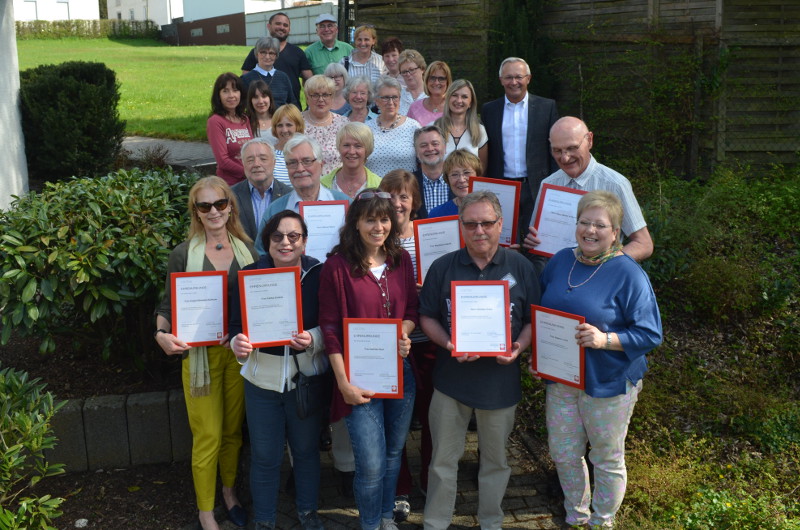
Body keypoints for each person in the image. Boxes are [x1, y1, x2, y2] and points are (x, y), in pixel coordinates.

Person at [537, 190, 662, 527]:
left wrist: (604, 339)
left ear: (615, 233)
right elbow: (544, 313)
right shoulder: (560, 261)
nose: (590, 230)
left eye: (600, 225)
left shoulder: (628, 273)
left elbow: (650, 334)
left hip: (607, 383)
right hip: (562, 380)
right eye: (584, 222)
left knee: (606, 458)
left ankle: (603, 521)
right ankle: (576, 517)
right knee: (564, 454)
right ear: (575, 225)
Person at [418, 190, 540, 530]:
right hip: (451, 382)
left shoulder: (521, 267)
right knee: (442, 461)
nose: (479, 231)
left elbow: (533, 319)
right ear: (461, 227)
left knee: (496, 461)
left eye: (487, 223)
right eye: (471, 224)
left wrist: (518, 347)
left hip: (500, 384)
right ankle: (436, 523)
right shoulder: (444, 267)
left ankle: (491, 522)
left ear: (500, 224)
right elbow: (426, 315)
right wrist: (449, 343)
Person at [154, 176, 258, 530]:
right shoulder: (183, 254)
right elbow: (167, 304)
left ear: (230, 206)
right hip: (199, 359)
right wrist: (161, 334)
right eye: (204, 206)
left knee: (232, 431)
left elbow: (260, 298)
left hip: (239, 355)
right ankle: (205, 511)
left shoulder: (249, 249)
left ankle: (229, 493)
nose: (213, 211)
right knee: (208, 435)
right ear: (195, 212)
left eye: (220, 204)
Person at [318, 188, 419, 530]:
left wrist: (403, 332)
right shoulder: (336, 267)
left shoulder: (401, 260)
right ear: (356, 223)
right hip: (357, 378)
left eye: (385, 218)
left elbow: (413, 311)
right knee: (371, 462)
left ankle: (387, 518)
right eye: (371, 219)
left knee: (393, 454)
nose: (379, 226)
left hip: (399, 373)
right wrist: (343, 383)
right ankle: (371, 523)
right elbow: (329, 330)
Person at [229, 210, 327, 530]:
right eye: (277, 236)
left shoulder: (318, 273)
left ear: (304, 242)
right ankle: (266, 520)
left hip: (305, 378)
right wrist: (237, 343)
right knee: (265, 456)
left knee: (306, 451)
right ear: (267, 241)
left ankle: (308, 513)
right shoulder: (250, 274)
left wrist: (313, 337)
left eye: (293, 236)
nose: (285, 242)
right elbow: (235, 326)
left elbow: (332, 323)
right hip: (262, 380)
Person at [378, 171, 434, 521]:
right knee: (393, 421)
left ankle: (429, 478)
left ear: (414, 201)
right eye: (391, 196)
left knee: (431, 416)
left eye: (404, 196)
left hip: (427, 341)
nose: (398, 203)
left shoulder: (432, 235)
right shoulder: (376, 238)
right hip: (388, 344)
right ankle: (400, 487)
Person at [523, 116, 654, 263]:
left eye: (572, 148)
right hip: (558, 272)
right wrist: (534, 241)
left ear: (589, 140)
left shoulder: (615, 184)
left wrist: (608, 264)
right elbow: (537, 238)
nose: (565, 158)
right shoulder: (548, 184)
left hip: (601, 278)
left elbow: (644, 244)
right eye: (557, 151)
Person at [482, 57, 559, 245]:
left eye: (518, 77)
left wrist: (555, 187)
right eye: (508, 77)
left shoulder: (546, 107)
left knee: (537, 242)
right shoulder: (489, 110)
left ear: (528, 78)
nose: (513, 82)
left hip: (537, 186)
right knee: (505, 242)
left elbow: (554, 149)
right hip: (502, 187)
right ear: (501, 80)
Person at [254, 135, 350, 255]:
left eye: (307, 161)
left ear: (321, 165)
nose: (300, 169)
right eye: (292, 163)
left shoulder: (346, 205)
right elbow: (261, 252)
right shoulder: (275, 210)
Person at [240, 12, 312, 105]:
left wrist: (309, 104)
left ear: (289, 29)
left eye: (285, 25)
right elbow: (245, 82)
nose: (282, 27)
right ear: (269, 26)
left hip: (290, 110)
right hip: (259, 110)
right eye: (278, 23)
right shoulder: (255, 52)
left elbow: (309, 80)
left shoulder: (298, 52)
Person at [231, 138, 292, 241]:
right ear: (243, 164)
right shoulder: (230, 195)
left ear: (274, 162)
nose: (256, 164)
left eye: (263, 159)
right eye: (250, 160)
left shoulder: (289, 195)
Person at [366, 76, 421, 176]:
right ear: (377, 101)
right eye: (386, 98)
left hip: (404, 189)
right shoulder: (366, 129)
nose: (391, 102)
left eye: (394, 97)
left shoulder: (413, 127)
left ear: (400, 99)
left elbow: (423, 160)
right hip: (374, 189)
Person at [207, 73, 252, 187]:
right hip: (230, 184)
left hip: (249, 182)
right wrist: (249, 173)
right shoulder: (215, 121)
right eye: (225, 91)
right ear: (218, 96)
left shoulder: (244, 118)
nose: (231, 95)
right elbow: (223, 161)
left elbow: (251, 149)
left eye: (235, 90)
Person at [434, 79, 488, 172]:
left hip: (468, 185)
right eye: (454, 95)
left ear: (471, 103)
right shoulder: (434, 128)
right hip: (439, 186)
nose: (459, 100)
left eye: (464, 97)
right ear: (448, 98)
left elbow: (481, 170)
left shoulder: (479, 130)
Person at [302, 75, 350, 175]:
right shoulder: (296, 121)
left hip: (336, 184)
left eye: (325, 95)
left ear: (332, 98)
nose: (320, 99)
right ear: (307, 98)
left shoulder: (343, 123)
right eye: (315, 95)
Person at [321, 122, 382, 199]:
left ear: (367, 149)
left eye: (358, 146)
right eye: (346, 145)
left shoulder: (380, 186)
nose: (351, 151)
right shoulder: (321, 185)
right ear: (339, 148)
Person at [241, 37, 299, 110]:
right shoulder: (246, 79)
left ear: (276, 55)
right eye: (263, 52)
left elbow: (292, 103)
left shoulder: (283, 77)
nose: (267, 57)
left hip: (280, 119)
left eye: (271, 53)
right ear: (256, 54)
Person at [412, 125, 452, 219]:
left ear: (445, 148)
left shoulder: (458, 181)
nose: (430, 149)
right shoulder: (408, 183)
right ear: (416, 151)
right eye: (423, 145)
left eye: (435, 143)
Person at [428, 149, 481, 218]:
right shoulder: (437, 214)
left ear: (478, 175)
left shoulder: (492, 209)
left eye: (467, 173)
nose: (462, 180)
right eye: (455, 174)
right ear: (447, 180)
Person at [407, 61, 452, 126]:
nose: (436, 83)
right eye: (432, 78)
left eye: (441, 79)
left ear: (447, 82)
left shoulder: (453, 107)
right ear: (426, 81)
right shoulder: (414, 107)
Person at [271, 103, 305, 187]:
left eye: (289, 125)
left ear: (298, 126)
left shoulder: (307, 153)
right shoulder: (269, 154)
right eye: (280, 125)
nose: (284, 130)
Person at [397, 50, 426, 116]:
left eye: (412, 70)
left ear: (422, 69)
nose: (408, 74)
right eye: (404, 72)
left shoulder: (432, 95)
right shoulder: (398, 97)